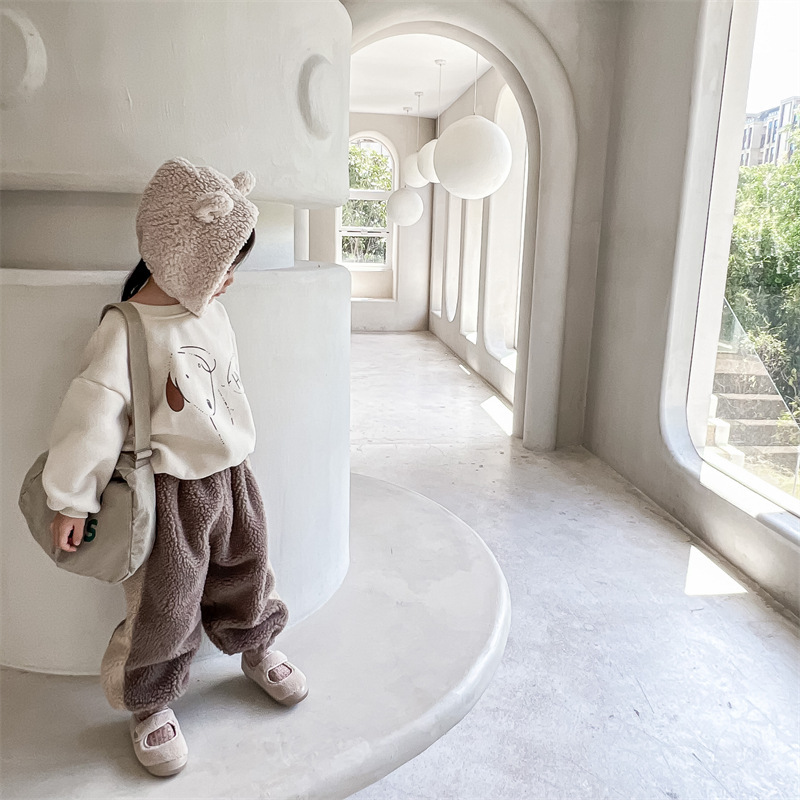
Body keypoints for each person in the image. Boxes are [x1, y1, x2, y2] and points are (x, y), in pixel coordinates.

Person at [42, 156, 307, 778]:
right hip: (167, 492)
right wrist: (72, 498)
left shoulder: (211, 312)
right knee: (166, 603)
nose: (230, 280)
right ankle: (150, 699)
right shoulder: (126, 329)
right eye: (224, 265)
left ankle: (256, 643)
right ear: (184, 257)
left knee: (248, 567)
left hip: (233, 475)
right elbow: (92, 415)